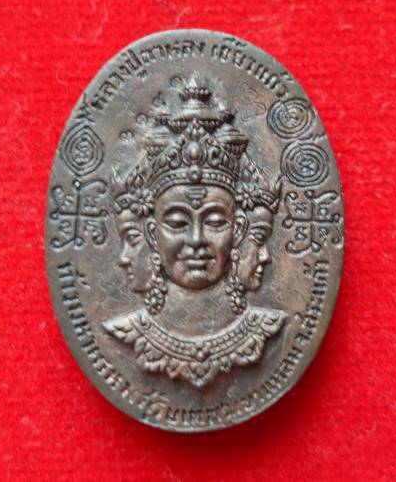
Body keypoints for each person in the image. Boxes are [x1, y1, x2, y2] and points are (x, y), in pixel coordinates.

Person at [103, 77, 287, 388]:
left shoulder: (270, 326)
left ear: (238, 230)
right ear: (152, 234)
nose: (197, 240)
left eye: (215, 222)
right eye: (177, 223)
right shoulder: (124, 330)